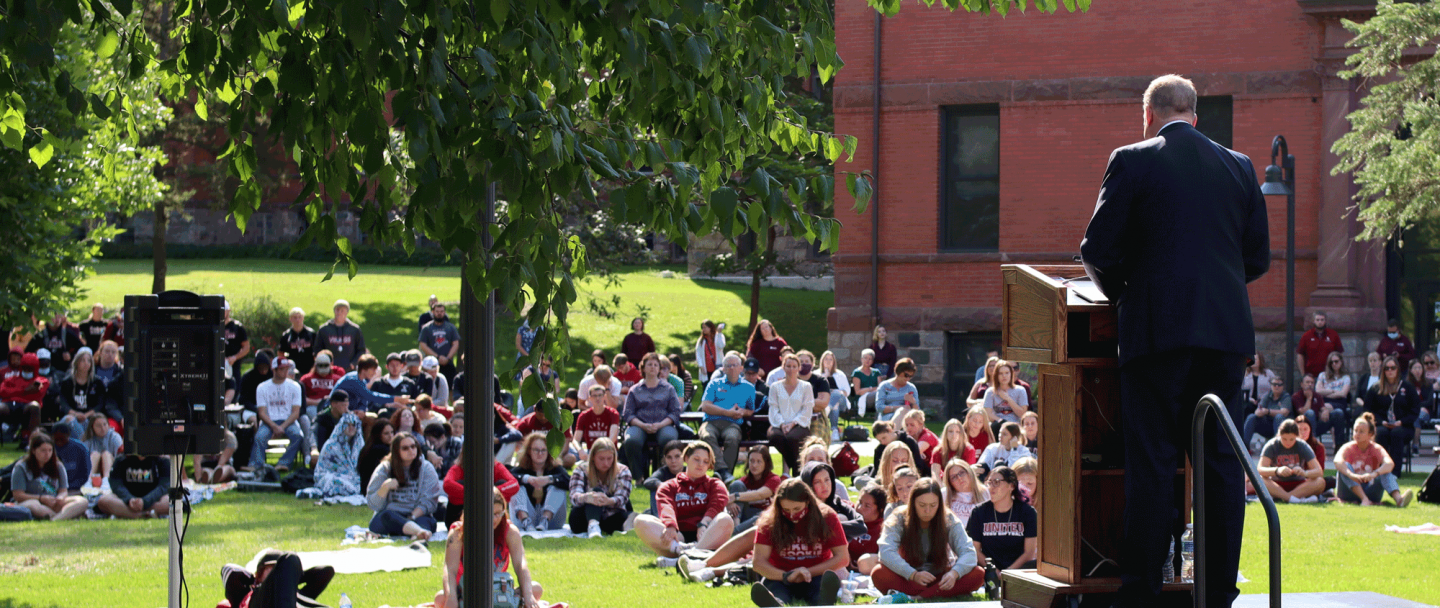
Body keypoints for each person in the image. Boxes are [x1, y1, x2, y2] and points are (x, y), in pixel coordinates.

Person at [1079, 74, 1269, 608]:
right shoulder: (1240, 166)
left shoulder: (1133, 159)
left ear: (1148, 115)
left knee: (1154, 462)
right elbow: (1256, 259)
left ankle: (1142, 590)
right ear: (1195, 115)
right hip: (1225, 338)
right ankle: (1216, 593)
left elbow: (1097, 250)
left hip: (1157, 336)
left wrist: (1127, 296)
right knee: (1220, 466)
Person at [872, 477, 984, 599]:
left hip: (941, 578)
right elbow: (886, 551)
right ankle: (932, 593)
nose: (927, 510)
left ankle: (918, 596)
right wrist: (913, 574)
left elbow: (969, 552)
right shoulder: (899, 517)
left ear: (939, 504)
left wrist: (954, 574)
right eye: (922, 505)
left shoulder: (948, 518)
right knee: (878, 573)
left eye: (933, 505)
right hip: (908, 577)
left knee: (978, 574)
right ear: (912, 503)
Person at [746, 478, 847, 607]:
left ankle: (824, 601)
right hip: (779, 576)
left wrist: (808, 572)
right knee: (777, 592)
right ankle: (775, 603)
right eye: (786, 510)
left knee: (819, 592)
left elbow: (843, 558)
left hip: (816, 575)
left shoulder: (827, 516)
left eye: (797, 509)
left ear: (808, 502)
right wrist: (787, 576)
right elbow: (758, 563)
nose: (792, 514)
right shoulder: (768, 521)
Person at [437, 494, 545, 608]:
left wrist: (528, 595)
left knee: (535, 589)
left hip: (497, 587)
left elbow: (520, 565)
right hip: (465, 590)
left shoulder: (510, 531)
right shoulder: (458, 532)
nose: (495, 519)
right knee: (440, 598)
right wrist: (451, 597)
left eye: (499, 513)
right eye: (490, 514)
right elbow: (450, 570)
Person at [636, 441, 734, 560]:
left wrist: (703, 524)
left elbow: (717, 504)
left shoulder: (715, 484)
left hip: (705, 534)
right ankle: (680, 552)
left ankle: (687, 555)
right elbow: (666, 506)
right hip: (678, 536)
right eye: (696, 459)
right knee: (640, 521)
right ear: (686, 458)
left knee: (726, 519)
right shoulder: (669, 485)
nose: (700, 464)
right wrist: (670, 525)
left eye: (705, 461)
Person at [365, 431, 441, 540]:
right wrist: (384, 488)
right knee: (385, 517)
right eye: (405, 448)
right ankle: (418, 533)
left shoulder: (426, 468)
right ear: (396, 451)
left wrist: (412, 517)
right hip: (392, 515)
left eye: (413, 446)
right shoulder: (385, 468)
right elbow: (373, 504)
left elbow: (430, 501)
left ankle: (416, 532)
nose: (411, 450)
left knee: (428, 521)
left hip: (417, 516)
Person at [621, 352, 684, 478]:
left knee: (668, 439)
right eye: (649, 364)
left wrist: (661, 424)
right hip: (639, 425)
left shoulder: (669, 388)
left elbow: (675, 412)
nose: (653, 367)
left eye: (656, 365)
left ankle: (662, 475)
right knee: (631, 440)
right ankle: (638, 477)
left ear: (659, 369)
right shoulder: (635, 389)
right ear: (643, 368)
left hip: (663, 424)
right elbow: (628, 413)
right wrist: (643, 425)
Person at [966, 466, 1037, 574]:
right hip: (988, 571)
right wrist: (994, 572)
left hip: (1019, 572)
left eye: (997, 482)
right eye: (989, 482)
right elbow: (975, 549)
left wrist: (1008, 573)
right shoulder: (978, 512)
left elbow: (1029, 553)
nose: (991, 487)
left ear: (1011, 486)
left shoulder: (1027, 512)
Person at [1335, 412, 1413, 507]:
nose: (1357, 434)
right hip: (1349, 490)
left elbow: (1390, 464)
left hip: (1370, 488)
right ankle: (1364, 499)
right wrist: (1352, 475)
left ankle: (1399, 500)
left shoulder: (1377, 448)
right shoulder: (1347, 447)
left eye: (1361, 431)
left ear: (1370, 434)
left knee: (1385, 471)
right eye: (1355, 431)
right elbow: (1337, 461)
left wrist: (1374, 474)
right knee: (1344, 467)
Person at [699, 354, 756, 479]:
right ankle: (724, 472)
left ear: (741, 368)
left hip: (732, 423)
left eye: (735, 365)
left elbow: (750, 410)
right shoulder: (714, 384)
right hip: (711, 421)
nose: (731, 368)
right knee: (707, 436)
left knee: (732, 438)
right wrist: (727, 412)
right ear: (723, 369)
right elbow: (706, 406)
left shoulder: (749, 387)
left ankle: (723, 476)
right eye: (728, 365)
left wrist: (742, 412)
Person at [11, 433, 88, 520]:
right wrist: (41, 498)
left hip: (53, 502)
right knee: (32, 504)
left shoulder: (58, 466)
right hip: (32, 502)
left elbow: (63, 491)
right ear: (33, 451)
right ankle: (64, 516)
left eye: (50, 450)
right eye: (43, 450)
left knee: (82, 501)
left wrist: (60, 497)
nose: (47, 454)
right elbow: (18, 495)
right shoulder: (21, 467)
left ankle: (54, 519)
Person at [220, 550, 336, 608]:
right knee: (290, 558)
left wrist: (293, 577)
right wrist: (253, 579)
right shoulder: (246, 595)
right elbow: (230, 570)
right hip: (260, 604)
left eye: (279, 568)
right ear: (259, 573)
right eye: (273, 569)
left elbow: (326, 571)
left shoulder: (293, 595)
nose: (277, 572)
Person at [250, 358, 307, 472]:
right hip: (269, 421)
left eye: (287, 369)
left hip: (288, 421)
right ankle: (256, 465)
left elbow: (296, 412)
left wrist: (282, 427)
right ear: (274, 370)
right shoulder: (262, 387)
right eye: (282, 369)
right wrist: (274, 426)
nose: (286, 372)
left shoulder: (295, 386)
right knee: (259, 437)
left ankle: (283, 463)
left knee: (298, 435)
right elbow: (262, 413)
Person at [568, 437, 633, 537]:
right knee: (596, 493)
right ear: (593, 457)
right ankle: (593, 525)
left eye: (609, 459)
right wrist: (587, 497)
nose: (606, 463)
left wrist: (608, 501)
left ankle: (596, 526)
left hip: (612, 515)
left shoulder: (623, 471)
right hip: (583, 517)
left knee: (627, 517)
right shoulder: (581, 470)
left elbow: (623, 498)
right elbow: (573, 497)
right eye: (601, 459)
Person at [1362, 355, 1420, 463]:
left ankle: (1394, 472)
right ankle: (1380, 468)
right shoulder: (1375, 388)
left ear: (1397, 369)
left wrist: (1401, 422)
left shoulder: (1407, 387)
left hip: (1403, 426)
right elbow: (1368, 410)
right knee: (1381, 433)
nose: (1390, 371)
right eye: (1387, 368)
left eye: (1393, 368)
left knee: (1396, 433)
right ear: (1383, 370)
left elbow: (1415, 410)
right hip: (1381, 424)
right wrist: (1380, 421)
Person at [508, 432, 570, 531]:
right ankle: (525, 521)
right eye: (536, 450)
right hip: (526, 518)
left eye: (543, 450)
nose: (540, 454)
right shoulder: (521, 469)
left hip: (552, 521)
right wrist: (527, 478)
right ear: (529, 451)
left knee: (557, 487)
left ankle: (545, 520)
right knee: (516, 486)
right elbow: (506, 479)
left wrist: (549, 479)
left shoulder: (555, 468)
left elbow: (568, 481)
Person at [766, 354, 814, 475]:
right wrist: (782, 424)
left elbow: (807, 409)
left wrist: (793, 423)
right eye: (788, 366)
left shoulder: (806, 386)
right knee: (775, 437)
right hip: (778, 424)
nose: (791, 369)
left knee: (792, 438)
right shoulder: (775, 387)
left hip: (800, 424)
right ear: (783, 367)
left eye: (794, 366)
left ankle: (794, 472)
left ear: (799, 368)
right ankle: (797, 466)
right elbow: (773, 408)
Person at [1256, 419, 1325, 504]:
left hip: (1299, 484)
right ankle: (1294, 499)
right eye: (1284, 439)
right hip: (1276, 484)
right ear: (1279, 435)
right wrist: (1277, 471)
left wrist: (1304, 473)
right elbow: (1260, 469)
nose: (1288, 442)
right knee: (1260, 480)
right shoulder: (1271, 445)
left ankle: (1285, 497)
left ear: (1297, 436)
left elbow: (1319, 471)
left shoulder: (1302, 445)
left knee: (1320, 481)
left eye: (1292, 439)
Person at [441, 460, 520, 526]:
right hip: (461, 517)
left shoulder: (496, 466)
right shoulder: (459, 467)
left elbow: (514, 484)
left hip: (491, 515)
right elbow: (447, 484)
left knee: (501, 483)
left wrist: (489, 493)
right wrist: (476, 495)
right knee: (460, 484)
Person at [329, 354, 411, 415]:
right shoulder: (353, 380)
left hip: (349, 412)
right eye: (373, 370)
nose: (375, 373)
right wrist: (396, 399)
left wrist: (361, 410)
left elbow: (364, 401)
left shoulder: (362, 381)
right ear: (364, 370)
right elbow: (371, 396)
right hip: (334, 412)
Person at [726, 445, 784, 530]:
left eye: (759, 461)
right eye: (751, 461)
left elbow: (760, 494)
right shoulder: (744, 481)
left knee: (761, 517)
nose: (754, 465)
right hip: (744, 516)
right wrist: (729, 502)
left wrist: (734, 496)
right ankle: (736, 525)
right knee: (736, 485)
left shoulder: (774, 479)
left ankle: (734, 533)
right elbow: (725, 495)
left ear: (766, 463)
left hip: (765, 517)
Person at [97, 454, 172, 519]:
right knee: (103, 500)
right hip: (128, 500)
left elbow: (164, 486)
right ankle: (143, 515)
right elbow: (116, 484)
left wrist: (145, 501)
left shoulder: (162, 460)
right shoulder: (121, 459)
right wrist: (129, 499)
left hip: (153, 500)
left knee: (171, 501)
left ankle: (127, 514)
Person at [0, 352, 48, 442]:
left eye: (29, 368)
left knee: (34, 406)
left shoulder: (41, 381)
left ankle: (31, 441)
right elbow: (2, 392)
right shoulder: (12, 379)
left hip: (27, 410)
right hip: (10, 408)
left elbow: (38, 394)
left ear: (35, 368)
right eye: (24, 368)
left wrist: (14, 392)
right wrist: (25, 391)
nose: (27, 371)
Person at [315, 300, 367, 372]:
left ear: (347, 312)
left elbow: (361, 350)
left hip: (349, 369)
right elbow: (317, 349)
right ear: (334, 311)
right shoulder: (324, 329)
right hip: (329, 370)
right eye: (337, 310)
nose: (339, 312)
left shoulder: (354, 329)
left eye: (342, 310)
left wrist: (353, 364)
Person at [574, 384, 621, 459]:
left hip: (609, 450)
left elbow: (613, 437)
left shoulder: (613, 413)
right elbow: (576, 439)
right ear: (589, 398)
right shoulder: (584, 415)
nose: (597, 398)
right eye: (594, 396)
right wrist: (580, 451)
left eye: (600, 395)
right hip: (591, 451)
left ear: (604, 396)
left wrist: (601, 453)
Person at [1243, 376, 1289, 453]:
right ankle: (1244, 447)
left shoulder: (1286, 397)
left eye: (1279, 385)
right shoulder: (1267, 396)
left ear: (1283, 386)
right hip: (1267, 426)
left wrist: (1267, 411)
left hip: (1281, 428)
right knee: (1252, 417)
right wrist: (1262, 411)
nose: (1276, 386)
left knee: (1278, 417)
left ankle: (1279, 449)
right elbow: (1257, 412)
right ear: (1270, 385)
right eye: (1274, 384)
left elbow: (1285, 412)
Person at [1316, 352, 1354, 444]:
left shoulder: (1346, 377)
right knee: (1330, 411)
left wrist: (1325, 392)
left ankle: (1336, 443)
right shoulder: (1322, 375)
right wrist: (1333, 391)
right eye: (1331, 362)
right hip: (1324, 402)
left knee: (1325, 408)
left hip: (1339, 403)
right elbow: (1317, 391)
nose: (1334, 364)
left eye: (1336, 361)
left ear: (1341, 362)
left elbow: (1343, 394)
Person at [982, 358, 1028, 433]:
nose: (1004, 376)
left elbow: (1022, 414)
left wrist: (1008, 399)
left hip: (1016, 426)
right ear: (996, 375)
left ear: (1011, 374)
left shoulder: (1020, 390)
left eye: (1007, 373)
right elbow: (987, 414)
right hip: (997, 426)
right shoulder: (990, 392)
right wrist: (1002, 421)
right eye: (1001, 373)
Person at [643, 440, 687, 516]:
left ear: (684, 457)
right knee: (655, 489)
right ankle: (659, 519)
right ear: (665, 458)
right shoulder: (663, 472)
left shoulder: (690, 472)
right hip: (665, 508)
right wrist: (662, 485)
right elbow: (648, 481)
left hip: (686, 507)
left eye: (677, 456)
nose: (673, 461)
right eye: (669, 457)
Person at [418, 302, 461, 379]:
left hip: (448, 363)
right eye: (437, 311)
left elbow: (456, 343)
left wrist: (447, 358)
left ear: (444, 312)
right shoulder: (426, 328)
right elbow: (423, 345)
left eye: (441, 311)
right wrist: (437, 357)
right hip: (430, 365)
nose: (439, 314)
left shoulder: (451, 327)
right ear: (433, 312)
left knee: (451, 387)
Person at [1296, 310, 1342, 379]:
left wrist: (1338, 371)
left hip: (1330, 374)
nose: (1320, 322)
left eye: (1322, 320)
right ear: (1314, 321)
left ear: (1325, 321)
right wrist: (1303, 375)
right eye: (1317, 320)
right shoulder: (1307, 336)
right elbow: (1300, 355)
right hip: (1311, 375)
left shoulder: (1333, 335)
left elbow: (1339, 354)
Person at [943, 459, 988, 525]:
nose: (959, 478)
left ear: (969, 472)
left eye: (961, 473)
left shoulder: (985, 492)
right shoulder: (944, 494)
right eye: (954, 477)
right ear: (949, 482)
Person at [48, 424, 90, 493]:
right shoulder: (49, 447)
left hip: (75, 486)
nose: (59, 442)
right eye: (56, 439)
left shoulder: (80, 448)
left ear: (68, 435)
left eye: (62, 439)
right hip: (53, 487)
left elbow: (85, 475)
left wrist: (67, 487)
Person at [82, 411, 122, 482]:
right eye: (98, 426)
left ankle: (107, 481)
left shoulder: (115, 437)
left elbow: (120, 459)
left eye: (104, 424)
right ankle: (88, 480)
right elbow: (83, 460)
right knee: (95, 454)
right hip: (95, 471)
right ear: (92, 427)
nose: (103, 428)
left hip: (112, 469)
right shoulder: (88, 440)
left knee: (106, 454)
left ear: (108, 425)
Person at [279, 307, 317, 376]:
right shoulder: (287, 335)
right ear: (290, 319)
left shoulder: (311, 333)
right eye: (295, 317)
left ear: (303, 318)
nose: (297, 320)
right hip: (292, 370)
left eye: (300, 317)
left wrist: (315, 367)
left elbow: (316, 351)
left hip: (309, 368)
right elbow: (281, 353)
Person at [357, 420, 395, 488]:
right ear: (378, 435)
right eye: (386, 433)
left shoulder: (368, 447)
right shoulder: (380, 450)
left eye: (392, 432)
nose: (390, 436)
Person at [221, 302, 251, 382]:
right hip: (217, 365)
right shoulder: (214, 326)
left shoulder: (237, 327)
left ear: (229, 311)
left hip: (233, 365)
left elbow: (246, 347)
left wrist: (235, 357)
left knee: (234, 388)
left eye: (224, 310)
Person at [238, 350, 275, 415]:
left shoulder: (273, 377)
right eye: (261, 368)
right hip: (252, 409)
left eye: (265, 368)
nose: (263, 371)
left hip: (271, 408)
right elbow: (243, 399)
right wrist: (255, 409)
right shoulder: (247, 378)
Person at [695, 320, 726, 392]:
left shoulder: (719, 336)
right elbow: (698, 353)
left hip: (717, 366)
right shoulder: (701, 340)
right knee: (706, 388)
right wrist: (701, 365)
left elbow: (721, 346)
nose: (703, 329)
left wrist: (719, 333)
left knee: (718, 388)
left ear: (710, 328)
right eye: (703, 328)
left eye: (705, 327)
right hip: (706, 368)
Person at [851, 349, 882, 418]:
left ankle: (880, 417)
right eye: (865, 358)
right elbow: (858, 392)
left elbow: (881, 388)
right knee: (878, 394)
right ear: (862, 359)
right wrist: (872, 389)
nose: (867, 360)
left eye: (870, 359)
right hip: (863, 399)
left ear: (872, 361)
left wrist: (867, 389)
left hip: (876, 396)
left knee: (881, 394)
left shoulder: (876, 372)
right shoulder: (857, 373)